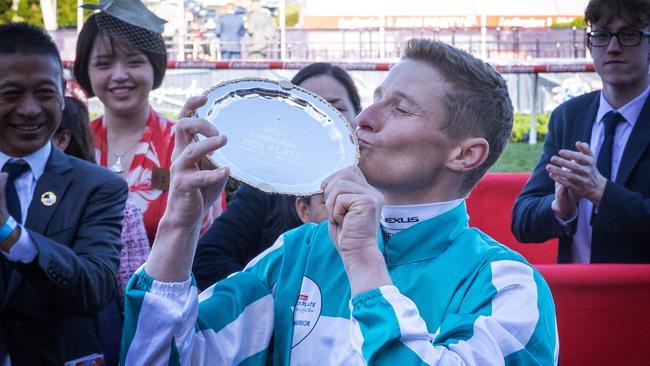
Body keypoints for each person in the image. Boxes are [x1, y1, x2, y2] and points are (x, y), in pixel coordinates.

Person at [121, 39, 558, 365]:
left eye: (400, 110)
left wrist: (364, 260)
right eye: (375, 100)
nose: (364, 119)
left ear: (465, 154)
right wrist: (179, 226)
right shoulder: (296, 251)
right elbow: (162, 358)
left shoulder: (506, 284)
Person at [0, 23, 128, 365]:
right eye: (11, 95)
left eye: (44, 93)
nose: (30, 109)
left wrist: (11, 235)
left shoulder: (98, 186)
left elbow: (95, 286)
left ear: (62, 93)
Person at [192, 62, 362, 289]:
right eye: (308, 107)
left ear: (357, 116)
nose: (323, 120)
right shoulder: (263, 190)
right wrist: (274, 297)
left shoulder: (375, 189)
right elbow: (208, 259)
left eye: (336, 108)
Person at [73, 0, 222, 246]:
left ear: (154, 65)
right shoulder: (71, 144)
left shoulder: (186, 146)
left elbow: (212, 236)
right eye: (103, 64)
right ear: (85, 70)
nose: (119, 75)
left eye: (134, 62)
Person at [512, 0, 650, 263]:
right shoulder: (568, 117)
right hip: (578, 298)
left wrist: (601, 192)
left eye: (629, 34)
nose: (613, 47)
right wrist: (559, 208)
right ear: (589, 45)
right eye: (601, 35)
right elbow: (522, 219)